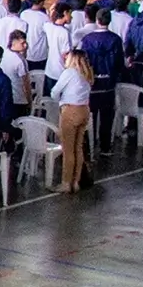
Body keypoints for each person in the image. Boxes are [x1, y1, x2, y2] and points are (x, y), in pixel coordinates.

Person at [51, 48, 94, 193]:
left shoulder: (69, 73)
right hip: (84, 110)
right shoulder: (87, 73)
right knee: (78, 148)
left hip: (70, 110)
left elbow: (55, 92)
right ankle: (75, 182)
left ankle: (66, 183)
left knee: (68, 150)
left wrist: (58, 100)